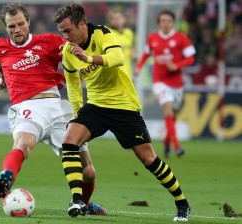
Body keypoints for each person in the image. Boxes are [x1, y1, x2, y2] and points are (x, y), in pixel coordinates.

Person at [54, 3, 190, 222]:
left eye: (67, 30)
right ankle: (78, 199)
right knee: (69, 141)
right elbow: (72, 83)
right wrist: (77, 114)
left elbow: (118, 58)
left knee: (149, 159)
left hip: (123, 105)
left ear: (81, 24)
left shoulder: (102, 33)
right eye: (61, 32)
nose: (65, 36)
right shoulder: (68, 51)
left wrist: (88, 58)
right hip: (96, 106)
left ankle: (182, 203)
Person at [0, 3, 107, 215]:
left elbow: (73, 55)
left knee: (88, 171)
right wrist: (2, 78)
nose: (17, 30)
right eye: (11, 26)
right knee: (23, 143)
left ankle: (83, 203)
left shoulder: (50, 41)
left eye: (20, 24)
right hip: (27, 107)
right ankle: (6, 175)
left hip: (57, 107)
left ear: (28, 22)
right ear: (4, 27)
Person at [134, 9, 196, 158]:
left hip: (177, 84)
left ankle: (167, 142)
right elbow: (146, 54)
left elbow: (191, 58)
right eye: (163, 21)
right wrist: (139, 67)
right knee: (167, 110)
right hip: (160, 82)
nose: (166, 24)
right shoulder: (153, 38)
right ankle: (177, 146)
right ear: (159, 23)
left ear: (173, 22)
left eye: (168, 21)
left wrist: (177, 65)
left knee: (172, 117)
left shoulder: (181, 38)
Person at [106, 8, 136, 79]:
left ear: (124, 19)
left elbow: (132, 51)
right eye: (114, 18)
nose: (117, 20)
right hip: (113, 73)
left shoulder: (129, 33)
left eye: (119, 18)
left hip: (127, 72)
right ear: (110, 21)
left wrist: (135, 60)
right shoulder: (107, 33)